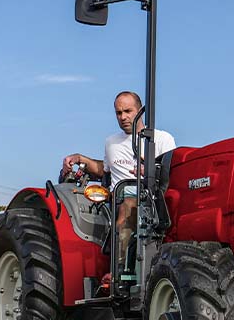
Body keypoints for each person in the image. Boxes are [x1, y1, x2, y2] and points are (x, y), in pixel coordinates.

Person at [62, 91, 176, 264]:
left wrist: (151, 171)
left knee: (136, 205)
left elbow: (171, 172)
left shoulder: (161, 139)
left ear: (140, 111)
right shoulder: (111, 142)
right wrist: (80, 158)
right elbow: (104, 169)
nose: (123, 117)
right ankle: (120, 269)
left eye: (128, 111)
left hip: (152, 199)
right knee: (127, 205)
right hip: (119, 199)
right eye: (118, 113)